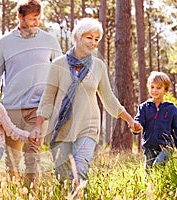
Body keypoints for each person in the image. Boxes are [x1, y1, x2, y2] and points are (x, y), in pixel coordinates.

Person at [33, 18, 143, 185]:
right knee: (62, 180)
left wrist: (130, 120)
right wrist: (37, 127)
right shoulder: (58, 64)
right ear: (77, 37)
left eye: (96, 39)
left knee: (80, 175)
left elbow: (109, 98)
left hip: (88, 127)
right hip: (61, 128)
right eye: (89, 37)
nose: (93, 42)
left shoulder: (98, 66)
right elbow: (47, 98)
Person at [0, 0, 62, 186]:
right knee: (12, 160)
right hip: (11, 109)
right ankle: (15, 194)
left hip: (39, 109)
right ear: (20, 17)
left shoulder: (49, 40)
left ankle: (31, 195)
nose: (36, 23)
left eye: (38, 18)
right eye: (32, 19)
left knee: (32, 158)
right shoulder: (4, 43)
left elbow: (60, 72)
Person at [133, 71, 177, 173]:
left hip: (166, 147)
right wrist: (136, 126)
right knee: (148, 174)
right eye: (152, 87)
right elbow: (139, 120)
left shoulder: (171, 109)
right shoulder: (144, 107)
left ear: (165, 90)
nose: (154, 90)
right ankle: (155, 189)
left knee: (157, 166)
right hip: (149, 146)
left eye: (158, 88)